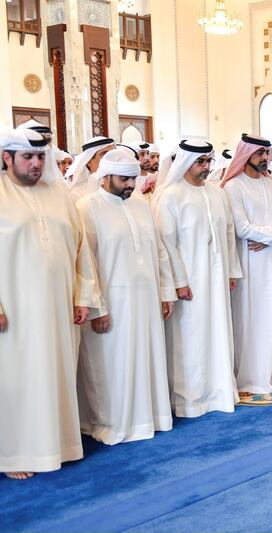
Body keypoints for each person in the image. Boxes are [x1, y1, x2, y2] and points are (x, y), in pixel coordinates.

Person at [0, 129, 103, 479]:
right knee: (18, 378)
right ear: (6, 158)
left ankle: (59, 445)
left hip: (59, 306)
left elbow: (80, 251)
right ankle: (15, 455)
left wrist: (84, 297)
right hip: (14, 310)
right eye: (27, 157)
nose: (36, 163)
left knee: (56, 372)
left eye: (40, 157)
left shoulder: (59, 195)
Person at [75, 148, 175, 445]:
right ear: (105, 177)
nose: (131, 185)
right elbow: (85, 262)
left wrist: (164, 292)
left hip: (145, 299)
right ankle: (111, 423)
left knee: (146, 356)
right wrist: (97, 308)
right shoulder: (86, 207)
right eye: (124, 179)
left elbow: (158, 251)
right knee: (112, 364)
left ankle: (150, 417)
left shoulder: (140, 205)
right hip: (111, 304)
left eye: (133, 178)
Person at [154, 139, 242, 417]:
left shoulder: (217, 194)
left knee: (218, 331)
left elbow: (228, 235)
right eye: (200, 162)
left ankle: (219, 391)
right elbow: (166, 244)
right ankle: (190, 399)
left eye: (208, 162)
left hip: (216, 278)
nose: (205, 168)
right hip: (189, 282)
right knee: (189, 338)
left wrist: (230, 271)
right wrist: (178, 281)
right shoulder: (170, 196)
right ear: (184, 163)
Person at [222, 133, 272, 394]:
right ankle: (251, 376)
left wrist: (270, 238)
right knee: (249, 318)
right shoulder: (234, 187)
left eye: (267, 153)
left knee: (271, 314)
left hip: (271, 262)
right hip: (248, 262)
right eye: (260, 153)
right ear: (247, 155)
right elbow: (241, 227)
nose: (265, 158)